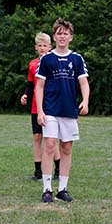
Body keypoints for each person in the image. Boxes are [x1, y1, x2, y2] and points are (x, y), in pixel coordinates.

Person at [35, 18, 89, 203]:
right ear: (54, 37)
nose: (62, 36)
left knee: (66, 147)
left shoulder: (76, 59)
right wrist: (40, 111)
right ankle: (47, 189)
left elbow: (83, 82)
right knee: (50, 145)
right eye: (59, 33)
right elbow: (39, 86)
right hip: (50, 109)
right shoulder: (47, 59)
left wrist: (85, 101)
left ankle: (62, 189)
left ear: (71, 37)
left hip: (69, 110)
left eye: (65, 33)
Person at [20, 32, 61, 181]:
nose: (42, 48)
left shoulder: (54, 62)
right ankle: (38, 170)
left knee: (51, 138)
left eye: (45, 45)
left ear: (50, 47)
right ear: (36, 47)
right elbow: (31, 85)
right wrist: (25, 95)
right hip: (36, 107)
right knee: (37, 137)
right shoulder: (32, 64)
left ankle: (58, 169)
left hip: (50, 106)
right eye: (40, 45)